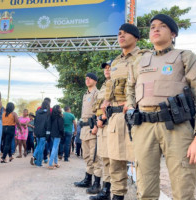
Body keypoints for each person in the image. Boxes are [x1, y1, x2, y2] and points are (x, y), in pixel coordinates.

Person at [126, 14, 196, 200]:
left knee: (183, 190)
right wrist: (130, 104)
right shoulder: (139, 62)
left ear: (173, 33)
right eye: (152, 27)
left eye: (162, 26)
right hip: (144, 127)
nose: (156, 29)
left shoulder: (185, 57)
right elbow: (130, 87)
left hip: (177, 127)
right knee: (145, 190)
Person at [101, 23, 142, 200]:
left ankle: (144, 195)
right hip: (116, 116)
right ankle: (117, 196)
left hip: (136, 114)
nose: (121, 36)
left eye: (125, 33)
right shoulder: (115, 62)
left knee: (141, 160)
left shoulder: (144, 57)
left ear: (136, 37)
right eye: (119, 33)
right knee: (116, 159)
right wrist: (106, 101)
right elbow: (110, 87)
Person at [74, 73, 102, 195]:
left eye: (89, 78)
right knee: (86, 156)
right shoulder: (86, 94)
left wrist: (96, 126)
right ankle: (88, 179)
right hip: (84, 128)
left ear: (95, 81)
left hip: (92, 127)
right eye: (86, 78)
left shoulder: (97, 93)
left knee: (95, 156)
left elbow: (99, 111)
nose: (87, 80)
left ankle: (97, 184)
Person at [89, 61, 112, 200]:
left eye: (110, 68)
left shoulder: (114, 83)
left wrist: (101, 120)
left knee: (110, 159)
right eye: (105, 68)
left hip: (108, 123)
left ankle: (108, 191)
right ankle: (105, 190)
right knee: (104, 158)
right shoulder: (105, 84)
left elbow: (111, 104)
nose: (107, 70)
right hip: (101, 124)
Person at [32, 101, 51, 167]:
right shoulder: (48, 113)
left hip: (37, 132)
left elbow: (35, 122)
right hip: (44, 132)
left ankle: (34, 155)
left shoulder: (37, 112)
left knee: (38, 145)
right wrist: (48, 134)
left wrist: (34, 131)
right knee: (41, 148)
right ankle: (38, 163)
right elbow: (48, 125)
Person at [48, 105, 64, 169]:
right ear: (58, 110)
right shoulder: (60, 117)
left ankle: (56, 163)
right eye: (60, 108)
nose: (61, 109)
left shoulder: (52, 117)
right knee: (54, 148)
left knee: (55, 148)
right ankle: (50, 164)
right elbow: (61, 128)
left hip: (52, 134)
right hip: (58, 134)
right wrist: (63, 134)